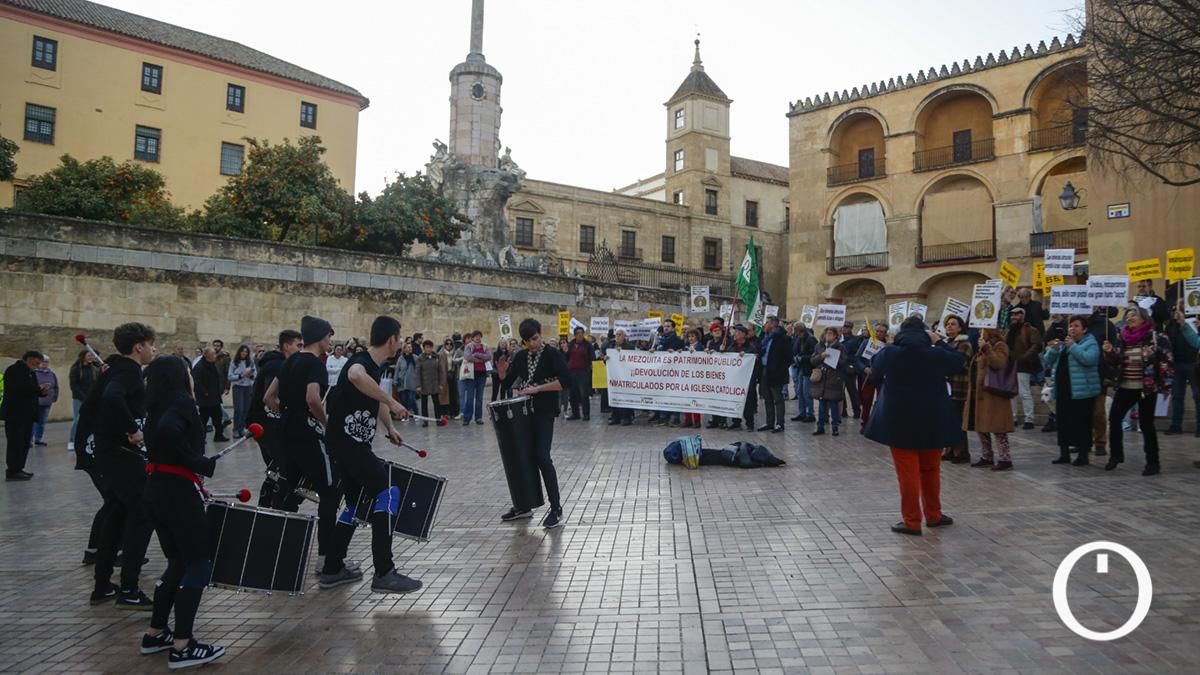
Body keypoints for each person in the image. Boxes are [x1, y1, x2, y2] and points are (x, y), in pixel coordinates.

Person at [138, 355, 226, 668]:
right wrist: (196, 461)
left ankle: (155, 633)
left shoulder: (155, 405)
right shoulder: (181, 403)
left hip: (156, 490)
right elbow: (169, 432)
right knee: (199, 562)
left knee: (176, 562)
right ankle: (183, 645)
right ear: (180, 377)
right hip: (177, 492)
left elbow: (161, 432)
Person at [324, 316, 422, 594]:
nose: (401, 342)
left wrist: (389, 426)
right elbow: (356, 376)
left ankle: (333, 568)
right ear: (391, 339)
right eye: (399, 337)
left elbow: (373, 397)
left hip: (348, 444)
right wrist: (392, 401)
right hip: (348, 444)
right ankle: (384, 571)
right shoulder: (362, 362)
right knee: (387, 492)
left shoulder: (375, 369)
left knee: (356, 505)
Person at [267, 315, 359, 586]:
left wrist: (287, 415)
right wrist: (327, 424)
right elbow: (312, 398)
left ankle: (278, 553)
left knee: (290, 492)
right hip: (309, 434)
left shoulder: (289, 362)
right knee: (330, 492)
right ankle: (326, 558)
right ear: (320, 337)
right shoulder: (314, 364)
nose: (331, 341)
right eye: (329, 336)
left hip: (287, 433)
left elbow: (268, 398)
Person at [864, 317, 964, 536]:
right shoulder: (936, 353)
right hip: (932, 418)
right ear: (925, 333)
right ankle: (934, 515)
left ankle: (911, 521)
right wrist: (939, 342)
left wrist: (891, 344)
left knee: (907, 472)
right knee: (931, 469)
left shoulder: (891, 352)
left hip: (899, 420)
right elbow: (959, 362)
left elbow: (875, 370)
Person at [88, 322, 157, 608]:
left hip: (110, 455)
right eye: (151, 344)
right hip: (122, 456)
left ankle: (102, 585)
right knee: (142, 516)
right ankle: (129, 587)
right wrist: (132, 428)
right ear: (139, 346)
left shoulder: (113, 368)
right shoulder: (127, 369)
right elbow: (112, 397)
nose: (153, 349)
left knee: (115, 516)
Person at [500, 318, 570, 529]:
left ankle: (556, 508)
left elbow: (566, 381)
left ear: (540, 333)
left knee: (542, 456)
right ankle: (524, 505)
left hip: (545, 411)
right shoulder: (521, 356)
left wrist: (537, 389)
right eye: (527, 341)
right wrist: (502, 372)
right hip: (525, 413)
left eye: (535, 338)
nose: (532, 344)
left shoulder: (551, 354)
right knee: (522, 457)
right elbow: (508, 381)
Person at [1103, 306, 1172, 475]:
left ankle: (1153, 462)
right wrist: (1110, 352)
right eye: (1127, 316)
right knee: (1114, 418)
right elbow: (1116, 361)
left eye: (1134, 315)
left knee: (1147, 424)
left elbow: (1167, 361)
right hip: (1126, 385)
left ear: (1144, 318)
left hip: (1146, 388)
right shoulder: (1123, 337)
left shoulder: (1156, 337)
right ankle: (1116, 455)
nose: (1129, 318)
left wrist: (1166, 384)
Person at [249, 329, 303, 510]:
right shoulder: (277, 366)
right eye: (298, 345)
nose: (301, 349)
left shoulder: (277, 364)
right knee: (284, 467)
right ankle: (277, 506)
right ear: (287, 346)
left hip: (267, 425)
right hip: (267, 426)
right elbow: (271, 397)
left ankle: (266, 506)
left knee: (276, 468)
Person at [1044, 315, 1102, 467]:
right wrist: (1054, 350)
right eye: (1071, 326)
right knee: (1062, 422)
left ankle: (1083, 455)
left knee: (1081, 423)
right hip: (1063, 390)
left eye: (1076, 326)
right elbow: (1048, 361)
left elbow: (1089, 359)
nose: (1072, 329)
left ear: (1084, 329)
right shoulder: (1064, 344)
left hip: (1082, 391)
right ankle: (1064, 454)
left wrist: (1073, 347)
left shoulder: (1090, 342)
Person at [965, 329, 1015, 471]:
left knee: (998, 428)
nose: (980, 332)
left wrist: (986, 349)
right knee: (981, 426)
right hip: (979, 393)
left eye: (983, 330)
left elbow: (998, 363)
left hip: (994, 394)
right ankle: (987, 455)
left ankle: (1005, 458)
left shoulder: (1000, 345)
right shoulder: (982, 346)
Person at [2, 350, 43, 480]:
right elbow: (19, 390)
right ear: (29, 359)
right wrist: (37, 390)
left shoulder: (30, 372)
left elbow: (33, 391)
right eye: (37, 362)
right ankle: (12, 471)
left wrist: (42, 392)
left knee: (24, 442)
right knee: (15, 443)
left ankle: (19, 468)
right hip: (15, 414)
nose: (38, 365)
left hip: (27, 415)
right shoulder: (15, 370)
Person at [940, 315, 974, 464]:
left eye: (953, 324)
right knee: (948, 420)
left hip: (959, 386)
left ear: (960, 327)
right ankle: (949, 449)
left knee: (958, 421)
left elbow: (959, 363)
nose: (949, 326)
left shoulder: (964, 343)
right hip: (946, 388)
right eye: (947, 324)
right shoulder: (948, 343)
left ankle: (961, 452)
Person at [1087, 306, 1121, 456]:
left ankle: (1100, 442)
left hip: (1099, 373)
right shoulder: (1078, 323)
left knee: (1098, 412)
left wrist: (1109, 374)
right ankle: (1083, 441)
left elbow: (1113, 351)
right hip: (1081, 374)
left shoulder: (1106, 325)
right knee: (1082, 411)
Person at [1165, 303, 1200, 437]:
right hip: (1177, 362)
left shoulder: (1196, 320)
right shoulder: (1173, 323)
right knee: (1177, 396)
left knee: (1197, 396)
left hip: (1193, 363)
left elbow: (1196, 341)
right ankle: (1176, 425)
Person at [1005, 307, 1043, 429]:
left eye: (1017, 314)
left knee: (1024, 392)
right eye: (1012, 314)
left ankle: (1029, 419)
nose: (1014, 317)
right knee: (1012, 393)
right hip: (1010, 364)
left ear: (1023, 315)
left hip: (1023, 364)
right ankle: (1013, 417)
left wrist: (1024, 357)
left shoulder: (1030, 330)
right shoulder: (1008, 331)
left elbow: (1036, 345)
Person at [757, 316, 793, 433]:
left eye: (766, 322)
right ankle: (769, 422)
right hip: (764, 370)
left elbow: (788, 358)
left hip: (776, 372)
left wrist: (779, 370)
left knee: (778, 398)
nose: (764, 325)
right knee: (767, 398)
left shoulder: (783, 338)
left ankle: (780, 423)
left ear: (772, 324)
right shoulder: (765, 337)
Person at [810, 327, 849, 436]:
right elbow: (812, 361)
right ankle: (820, 427)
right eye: (826, 333)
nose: (828, 335)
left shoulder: (841, 347)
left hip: (834, 379)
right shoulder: (819, 346)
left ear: (836, 335)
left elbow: (844, 362)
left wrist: (833, 358)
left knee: (833, 404)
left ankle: (835, 427)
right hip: (822, 379)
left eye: (831, 333)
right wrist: (821, 356)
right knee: (822, 405)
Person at [855, 323, 890, 426]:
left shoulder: (888, 345)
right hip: (868, 376)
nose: (879, 334)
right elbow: (857, 358)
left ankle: (879, 422)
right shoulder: (866, 342)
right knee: (866, 401)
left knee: (881, 401)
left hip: (882, 377)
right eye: (877, 331)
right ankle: (865, 422)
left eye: (882, 332)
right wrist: (864, 368)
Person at [191, 349, 228, 443]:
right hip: (205, 399)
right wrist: (205, 392)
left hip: (214, 397)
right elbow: (196, 382)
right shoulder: (199, 366)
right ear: (208, 356)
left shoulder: (212, 365)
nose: (215, 356)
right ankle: (201, 438)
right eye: (213, 355)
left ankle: (219, 435)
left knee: (218, 417)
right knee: (203, 419)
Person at [68, 350, 101, 452]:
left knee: (93, 420)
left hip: (92, 399)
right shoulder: (76, 369)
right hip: (79, 399)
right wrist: (84, 397)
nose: (91, 357)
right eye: (89, 355)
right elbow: (74, 386)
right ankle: (72, 441)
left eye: (92, 355)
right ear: (83, 356)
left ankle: (88, 439)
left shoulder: (94, 369)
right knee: (78, 420)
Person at [729, 325, 759, 431]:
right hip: (735, 378)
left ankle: (749, 423)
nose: (734, 334)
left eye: (737, 332)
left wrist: (746, 355)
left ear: (743, 335)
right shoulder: (731, 346)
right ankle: (736, 421)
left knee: (747, 402)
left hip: (747, 378)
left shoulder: (751, 347)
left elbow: (754, 359)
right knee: (734, 399)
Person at [605, 329, 635, 426]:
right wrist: (606, 358)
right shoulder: (611, 346)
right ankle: (615, 416)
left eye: (619, 335)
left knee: (625, 396)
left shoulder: (630, 347)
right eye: (616, 334)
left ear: (624, 337)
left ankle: (626, 417)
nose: (617, 336)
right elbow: (607, 360)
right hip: (614, 376)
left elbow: (633, 360)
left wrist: (621, 352)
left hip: (626, 376)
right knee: (615, 395)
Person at [461, 331, 492, 425]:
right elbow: (467, 356)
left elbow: (489, 356)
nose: (478, 338)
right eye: (476, 336)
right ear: (473, 338)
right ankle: (467, 418)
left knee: (479, 397)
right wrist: (479, 360)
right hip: (471, 375)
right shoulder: (469, 346)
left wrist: (477, 355)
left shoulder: (485, 346)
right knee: (470, 398)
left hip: (482, 374)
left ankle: (478, 417)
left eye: (479, 336)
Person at [415, 340, 449, 426]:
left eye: (430, 347)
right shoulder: (420, 358)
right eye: (427, 347)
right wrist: (418, 385)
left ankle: (438, 419)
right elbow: (417, 373)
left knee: (436, 402)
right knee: (424, 404)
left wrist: (441, 383)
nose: (429, 349)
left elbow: (441, 371)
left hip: (435, 384)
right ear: (424, 348)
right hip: (424, 384)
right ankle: (425, 421)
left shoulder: (437, 357)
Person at [564, 327, 594, 421]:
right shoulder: (571, 344)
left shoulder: (587, 345)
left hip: (583, 372)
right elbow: (566, 357)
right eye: (577, 333)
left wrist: (589, 369)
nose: (580, 335)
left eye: (581, 333)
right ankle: (575, 413)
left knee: (584, 394)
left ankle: (586, 414)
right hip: (572, 372)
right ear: (575, 334)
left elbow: (592, 357)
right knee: (573, 394)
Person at [790, 323, 817, 423]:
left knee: (807, 392)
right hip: (801, 367)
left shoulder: (810, 339)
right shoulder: (800, 338)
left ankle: (810, 413)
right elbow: (798, 350)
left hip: (808, 369)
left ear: (799, 330)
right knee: (799, 391)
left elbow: (814, 354)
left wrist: (802, 358)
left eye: (795, 330)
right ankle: (802, 413)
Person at [228, 344, 256, 437]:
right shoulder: (234, 362)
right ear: (239, 352)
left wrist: (251, 374)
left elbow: (255, 374)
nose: (244, 353)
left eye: (246, 352)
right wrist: (240, 376)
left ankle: (242, 428)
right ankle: (236, 429)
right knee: (238, 409)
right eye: (242, 351)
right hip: (238, 387)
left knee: (246, 409)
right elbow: (230, 376)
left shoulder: (250, 362)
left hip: (248, 387)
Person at [31, 354, 58, 447]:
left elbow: (56, 387)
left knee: (42, 422)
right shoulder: (33, 373)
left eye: (46, 362)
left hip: (47, 402)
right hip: (36, 401)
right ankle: (30, 440)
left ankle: (38, 439)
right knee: (33, 421)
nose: (44, 364)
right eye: (42, 361)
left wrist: (54, 397)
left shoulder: (51, 374)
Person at [838, 321, 863, 418]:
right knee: (840, 391)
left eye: (847, 327)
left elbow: (849, 350)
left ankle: (856, 410)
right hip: (839, 367)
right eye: (843, 327)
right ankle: (843, 410)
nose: (844, 328)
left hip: (849, 368)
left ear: (851, 328)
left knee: (852, 390)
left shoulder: (855, 339)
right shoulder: (839, 338)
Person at [394, 340, 419, 414]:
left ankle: (416, 412)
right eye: (408, 347)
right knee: (404, 400)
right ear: (404, 349)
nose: (410, 348)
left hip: (412, 381)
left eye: (411, 347)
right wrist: (395, 380)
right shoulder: (400, 358)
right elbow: (397, 369)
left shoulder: (415, 358)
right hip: (402, 382)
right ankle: (406, 414)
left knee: (412, 399)